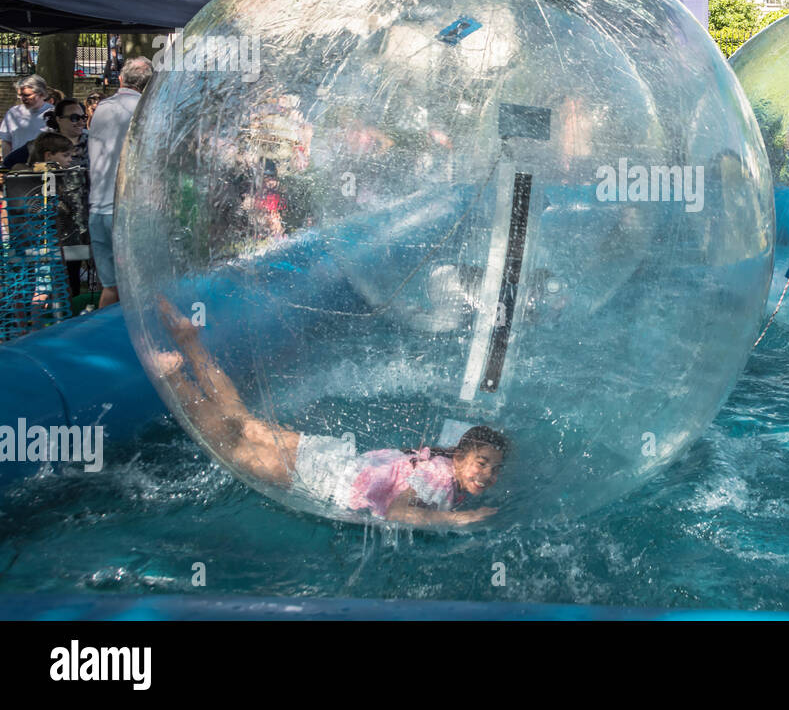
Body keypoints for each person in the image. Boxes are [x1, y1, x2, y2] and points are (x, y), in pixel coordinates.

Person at [154, 298, 503, 526]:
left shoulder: (440, 465)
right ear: (459, 457)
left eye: (494, 469)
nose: (487, 474)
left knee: (244, 424)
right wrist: (458, 520)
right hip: (327, 479)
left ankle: (189, 342)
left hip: (335, 457)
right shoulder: (442, 481)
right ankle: (174, 378)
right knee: (230, 448)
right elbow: (398, 513)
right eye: (482, 463)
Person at [88, 57, 152, 308]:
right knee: (143, 287)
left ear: (122, 79)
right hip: (128, 212)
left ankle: (103, 344)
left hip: (98, 210)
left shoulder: (102, 107)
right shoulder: (145, 108)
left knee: (111, 287)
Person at [1, 98, 88, 169]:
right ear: (59, 119)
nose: (81, 122)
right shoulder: (42, 143)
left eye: (83, 117)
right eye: (74, 118)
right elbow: (9, 163)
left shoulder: (94, 143)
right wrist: (32, 171)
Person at [1, 75, 54, 160]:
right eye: (20, 95)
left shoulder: (53, 113)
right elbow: (6, 142)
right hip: (16, 166)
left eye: (27, 95)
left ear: (42, 94)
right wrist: (7, 164)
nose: (23, 99)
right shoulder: (13, 113)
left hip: (44, 166)